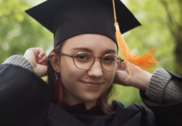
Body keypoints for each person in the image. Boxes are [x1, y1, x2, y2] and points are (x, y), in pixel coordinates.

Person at [0, 0, 182, 126]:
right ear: (55, 61)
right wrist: (22, 66)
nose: (97, 72)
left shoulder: (137, 120)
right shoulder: (27, 117)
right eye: (82, 57)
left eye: (108, 59)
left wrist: (147, 81)